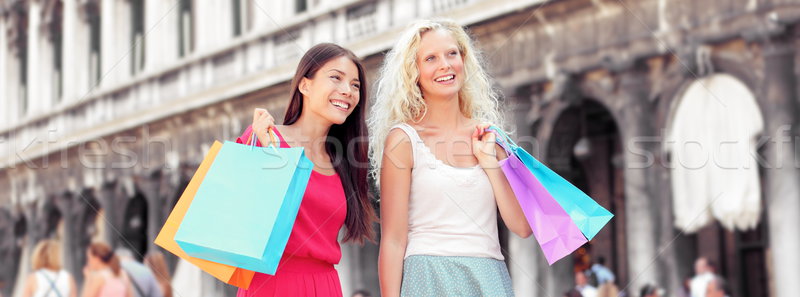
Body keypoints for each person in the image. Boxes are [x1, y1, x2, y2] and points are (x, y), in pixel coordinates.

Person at [371, 19, 532, 297]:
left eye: (451, 54)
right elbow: (394, 241)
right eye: (430, 58)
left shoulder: (488, 136)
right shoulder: (402, 140)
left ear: (463, 60)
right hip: (428, 275)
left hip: (489, 275)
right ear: (414, 72)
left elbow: (522, 226)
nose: (445, 65)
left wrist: (490, 163)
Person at [235, 43, 376, 297]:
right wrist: (261, 154)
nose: (347, 91)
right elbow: (238, 218)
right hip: (270, 285)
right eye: (336, 78)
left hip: (326, 286)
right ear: (305, 85)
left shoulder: (345, 160)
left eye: (355, 85)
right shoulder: (265, 137)